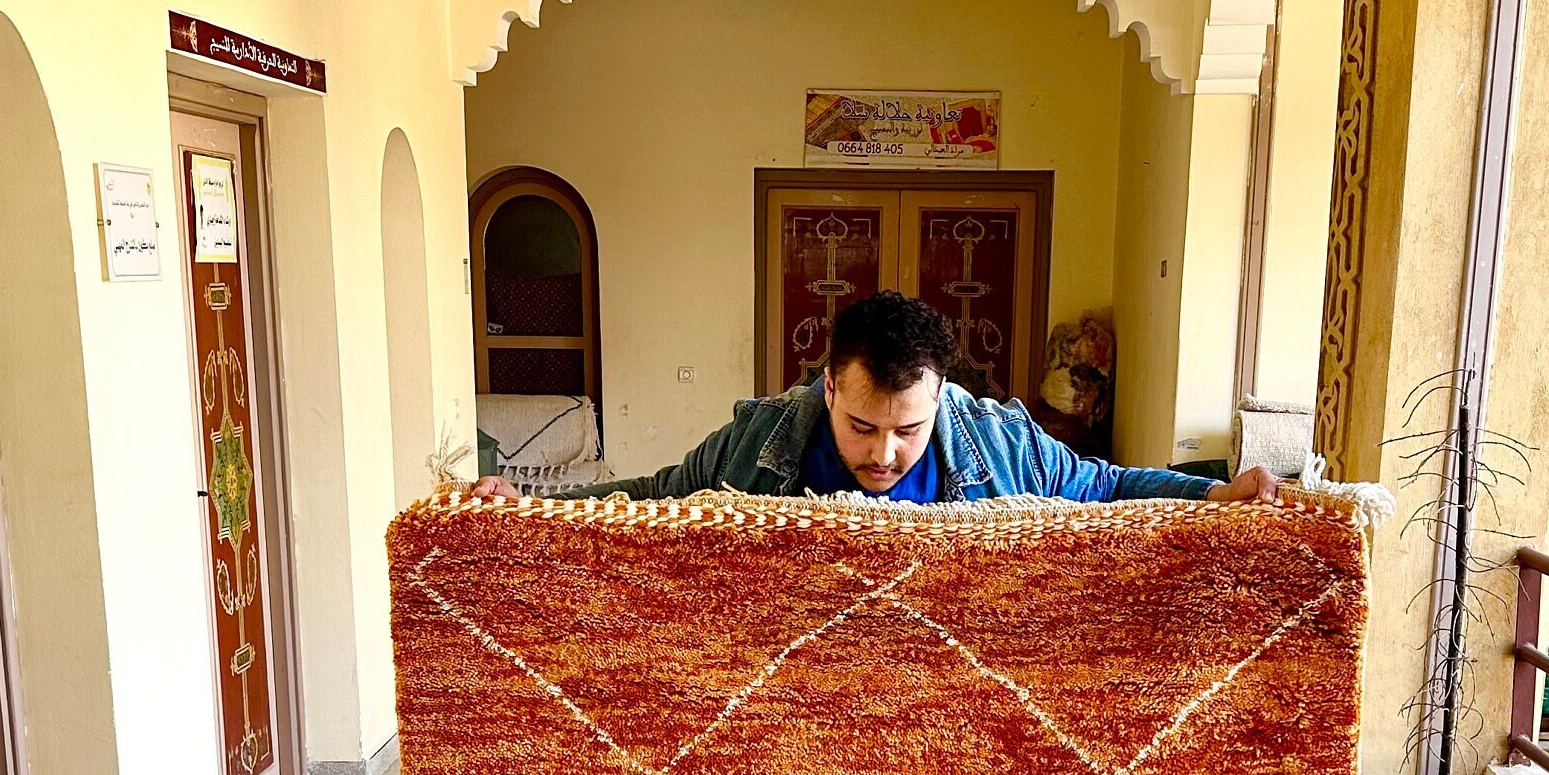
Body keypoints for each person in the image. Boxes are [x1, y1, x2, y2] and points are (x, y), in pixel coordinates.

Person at [467, 290, 1277, 508]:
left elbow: (1105, 485)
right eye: (861, 426)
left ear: (942, 397)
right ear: (827, 387)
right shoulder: (758, 441)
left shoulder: (1001, 441)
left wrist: (1212, 494)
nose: (884, 454)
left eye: (908, 430)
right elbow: (657, 498)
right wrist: (529, 510)